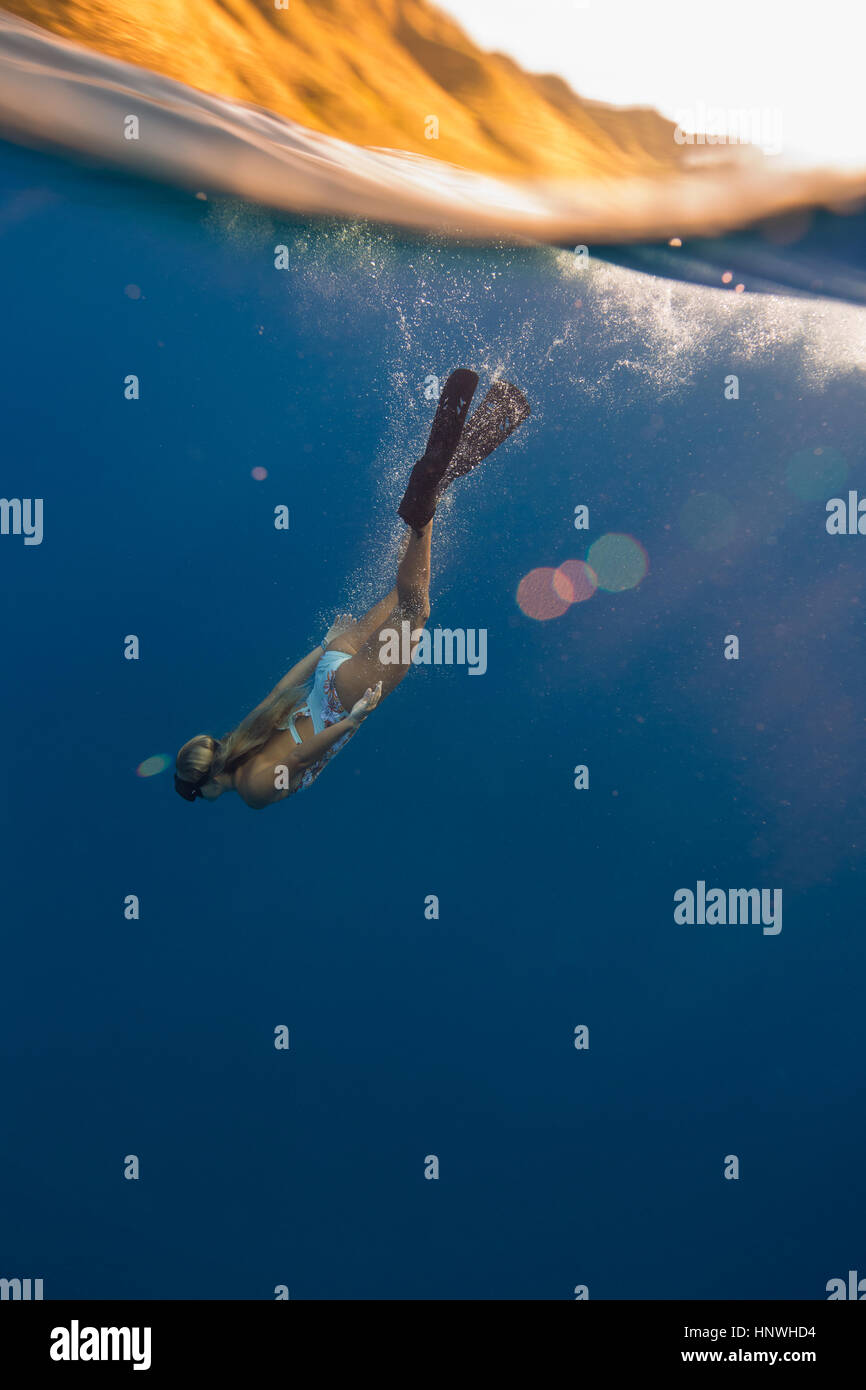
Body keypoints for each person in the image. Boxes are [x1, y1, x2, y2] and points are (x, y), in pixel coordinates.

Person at [174, 370, 530, 809]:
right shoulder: (243, 735)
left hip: (342, 698)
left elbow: (301, 759)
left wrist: (352, 720)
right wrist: (324, 646)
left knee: (417, 610)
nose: (206, 799)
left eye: (199, 796)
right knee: (407, 595)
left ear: (206, 785)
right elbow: (279, 690)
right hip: (332, 665)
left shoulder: (250, 789)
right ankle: (438, 483)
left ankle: (422, 512)